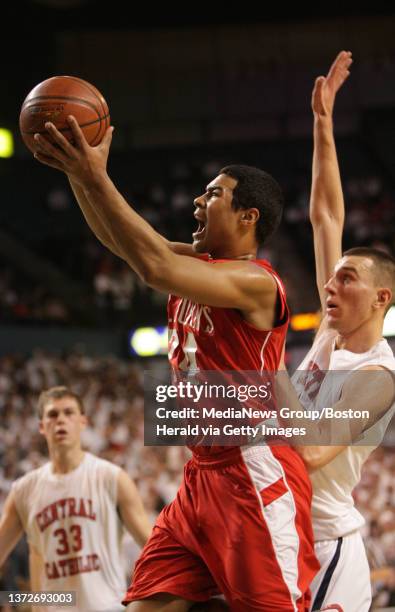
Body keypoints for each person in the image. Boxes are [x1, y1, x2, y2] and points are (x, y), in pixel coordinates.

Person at [33, 114, 319, 608]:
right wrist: (79, 173)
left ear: (248, 217)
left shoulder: (257, 282)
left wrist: (95, 175)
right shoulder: (199, 264)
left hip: (254, 470)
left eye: (213, 195)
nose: (197, 201)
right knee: (149, 602)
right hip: (200, 477)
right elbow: (126, 244)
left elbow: (153, 266)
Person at [279, 51, 395, 612]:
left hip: (327, 548)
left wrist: (263, 371)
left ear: (380, 299)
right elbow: (326, 215)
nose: (331, 284)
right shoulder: (329, 329)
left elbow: (316, 449)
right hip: (283, 533)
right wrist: (323, 125)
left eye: (345, 278)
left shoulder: (379, 374)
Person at [0, 386, 152, 612]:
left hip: (108, 607)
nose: (61, 420)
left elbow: (152, 547)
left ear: (83, 422)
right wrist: (18, 601)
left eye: (68, 412)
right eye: (52, 414)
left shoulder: (112, 478)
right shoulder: (23, 490)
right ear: (42, 427)